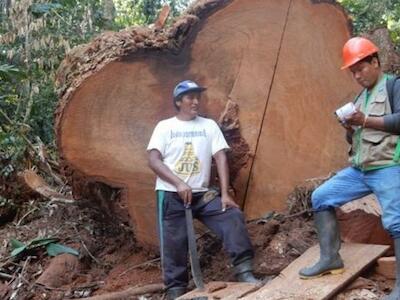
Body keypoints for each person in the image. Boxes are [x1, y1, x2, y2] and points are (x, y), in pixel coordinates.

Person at [298, 37, 400, 300]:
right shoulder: (361, 96)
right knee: (321, 197)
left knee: (396, 221)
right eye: (353, 71)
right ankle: (330, 258)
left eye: (360, 68)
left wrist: (364, 119)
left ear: (375, 62)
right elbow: (357, 137)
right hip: (360, 170)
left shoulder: (393, 86)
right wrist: (349, 128)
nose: (356, 75)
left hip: (388, 165)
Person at [147, 80, 258, 300]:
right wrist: (178, 183)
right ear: (178, 101)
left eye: (197, 96)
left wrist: (225, 193)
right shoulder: (165, 127)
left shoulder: (208, 126)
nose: (195, 101)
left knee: (232, 216)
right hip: (171, 195)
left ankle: (244, 271)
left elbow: (220, 157)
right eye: (190, 97)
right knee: (173, 242)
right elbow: (153, 160)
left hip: (202, 194)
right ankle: (176, 290)